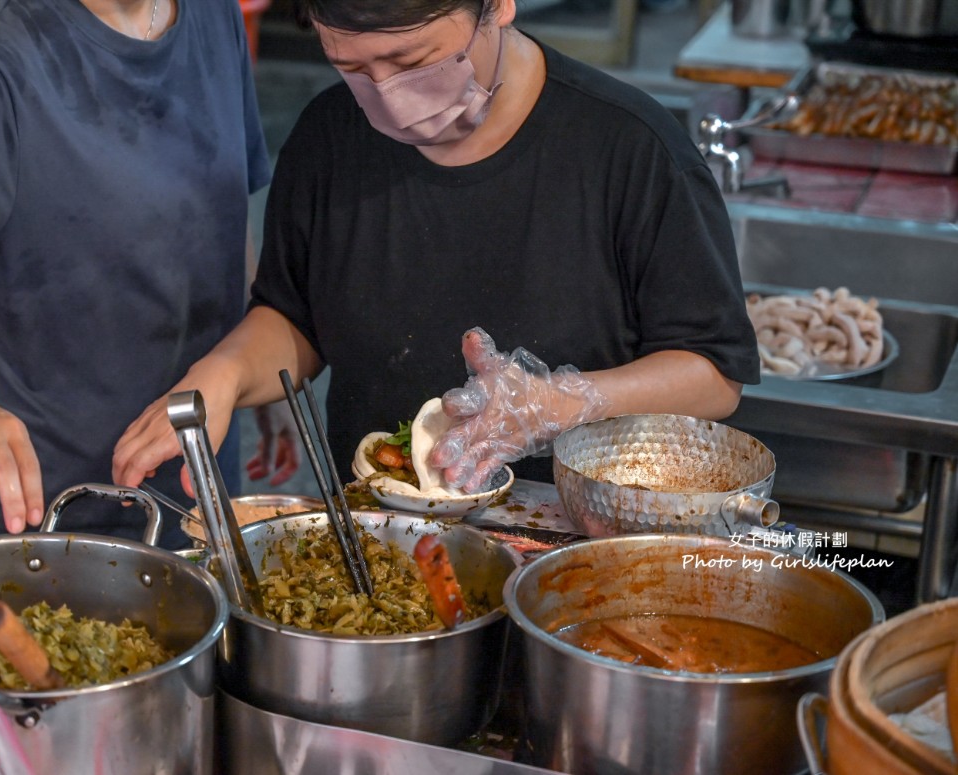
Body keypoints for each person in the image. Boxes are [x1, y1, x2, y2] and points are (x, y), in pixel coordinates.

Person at [111, 0, 759, 496]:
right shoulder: (327, 139)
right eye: (355, 68)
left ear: (497, 5)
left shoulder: (630, 150)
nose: (389, 97)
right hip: (385, 543)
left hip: (574, 547)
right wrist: (219, 376)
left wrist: (561, 403)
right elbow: (294, 316)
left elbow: (712, 372)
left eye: (415, 62)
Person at [0, 0, 271, 548]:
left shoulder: (213, 11)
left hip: (197, 478)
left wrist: (253, 360)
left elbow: (222, 208)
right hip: (44, 503)